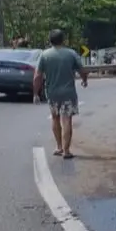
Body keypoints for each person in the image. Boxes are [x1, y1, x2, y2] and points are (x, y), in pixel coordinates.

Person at [33, 29, 89, 159]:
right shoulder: (71, 54)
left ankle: (58, 146)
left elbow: (37, 76)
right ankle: (66, 150)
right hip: (68, 93)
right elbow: (82, 70)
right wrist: (84, 80)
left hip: (52, 93)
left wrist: (35, 93)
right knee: (67, 119)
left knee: (55, 118)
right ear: (63, 40)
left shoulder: (44, 55)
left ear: (50, 40)